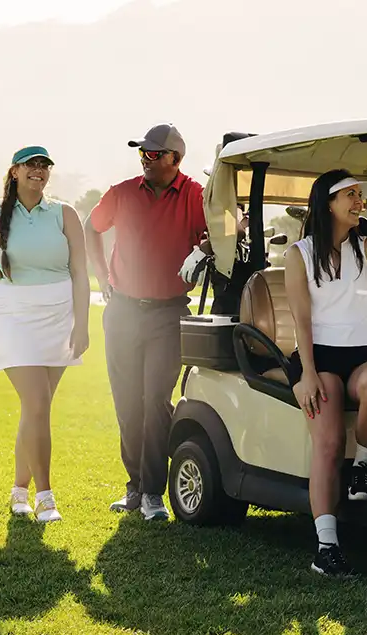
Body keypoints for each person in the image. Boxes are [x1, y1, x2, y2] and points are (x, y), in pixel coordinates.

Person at [0, 145, 89, 523]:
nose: (38, 171)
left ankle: (18, 491)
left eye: (44, 166)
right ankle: (45, 498)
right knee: (37, 404)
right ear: (15, 172)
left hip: (59, 315)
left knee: (36, 409)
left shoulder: (65, 214)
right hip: (14, 315)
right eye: (30, 165)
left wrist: (83, 325)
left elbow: (79, 272)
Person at [283, 169, 367, 577]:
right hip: (318, 356)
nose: (359, 202)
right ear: (327, 203)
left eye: (361, 195)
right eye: (351, 195)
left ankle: (364, 466)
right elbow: (301, 320)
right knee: (328, 442)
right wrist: (307, 373)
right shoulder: (299, 254)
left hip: (362, 352)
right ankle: (326, 548)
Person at [84, 123, 209, 522]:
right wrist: (100, 275)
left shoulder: (195, 195)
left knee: (155, 401)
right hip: (122, 311)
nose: (145, 159)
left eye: (153, 154)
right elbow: (91, 226)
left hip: (168, 314)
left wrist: (206, 247)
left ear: (175, 159)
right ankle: (135, 487)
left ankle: (154, 492)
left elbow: (222, 231)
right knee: (127, 403)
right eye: (142, 153)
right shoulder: (122, 193)